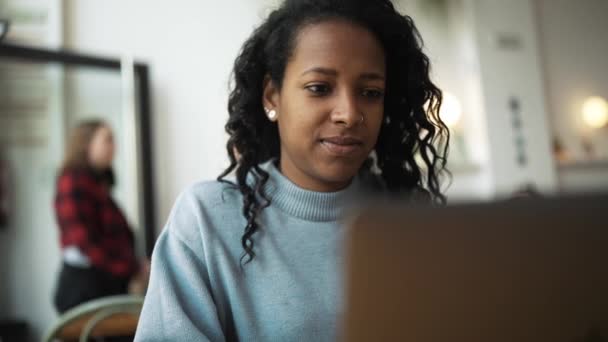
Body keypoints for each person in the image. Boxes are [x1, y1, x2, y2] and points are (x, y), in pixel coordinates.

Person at [135, 0, 449, 340]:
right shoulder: (206, 220)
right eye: (319, 88)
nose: (348, 113)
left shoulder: (408, 218)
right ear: (272, 96)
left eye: (370, 92)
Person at [53, 120, 148, 314]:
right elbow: (85, 242)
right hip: (85, 288)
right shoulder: (73, 182)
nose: (114, 147)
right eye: (108, 140)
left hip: (101, 284)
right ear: (86, 144)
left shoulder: (96, 184)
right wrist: (132, 268)